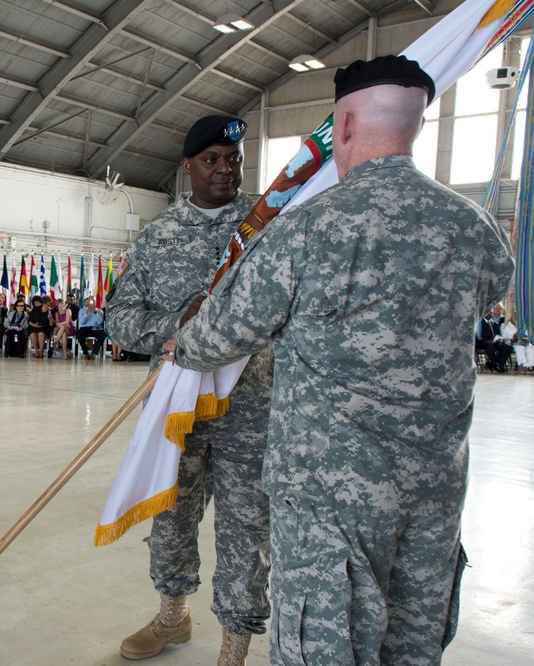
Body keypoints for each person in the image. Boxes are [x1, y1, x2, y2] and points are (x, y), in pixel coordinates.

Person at [167, 56, 514, 664]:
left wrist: (182, 338)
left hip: (330, 500)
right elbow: (487, 298)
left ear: (344, 127)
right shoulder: (477, 228)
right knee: (411, 646)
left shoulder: (306, 230)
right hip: (431, 496)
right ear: (416, 127)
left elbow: (216, 339)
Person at [105, 113, 273, 665]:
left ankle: (234, 646)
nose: (225, 170)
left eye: (233, 159)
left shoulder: (267, 224)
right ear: (187, 167)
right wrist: (178, 326)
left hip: (251, 407)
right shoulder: (158, 236)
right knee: (171, 515)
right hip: (176, 404)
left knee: (246, 528)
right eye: (211, 160)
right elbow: (120, 318)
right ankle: (173, 617)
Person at [477, 303, 514, 372]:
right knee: (490, 348)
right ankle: (495, 365)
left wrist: (500, 340)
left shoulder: (494, 323)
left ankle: (497, 363)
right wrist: (488, 341)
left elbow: (498, 334)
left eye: (491, 313)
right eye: (489, 313)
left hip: (494, 342)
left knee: (509, 348)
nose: (490, 314)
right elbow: (478, 336)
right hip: (484, 343)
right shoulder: (480, 323)